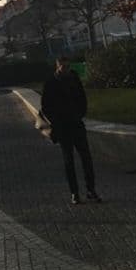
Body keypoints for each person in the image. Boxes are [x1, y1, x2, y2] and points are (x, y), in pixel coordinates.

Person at [40, 56, 101, 205]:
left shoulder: (74, 79)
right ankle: (74, 192)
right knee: (69, 161)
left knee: (86, 159)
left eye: (68, 66)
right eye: (64, 67)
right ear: (58, 66)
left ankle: (90, 190)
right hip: (63, 127)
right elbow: (46, 106)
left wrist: (80, 113)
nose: (66, 69)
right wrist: (56, 121)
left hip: (76, 124)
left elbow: (82, 98)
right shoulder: (51, 83)